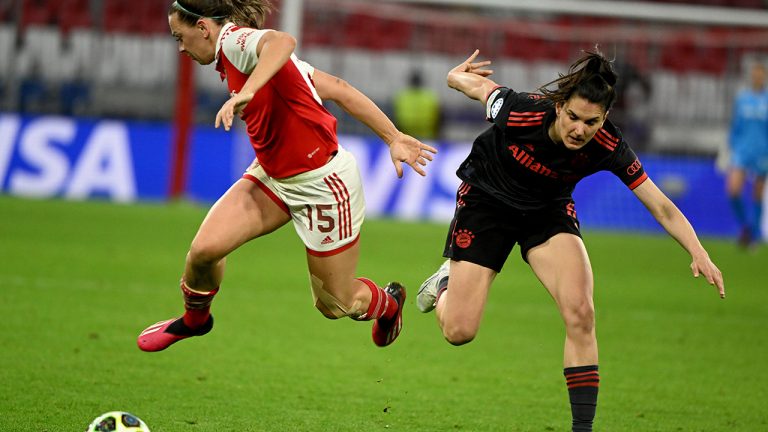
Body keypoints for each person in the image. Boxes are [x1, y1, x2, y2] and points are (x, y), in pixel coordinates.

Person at [416, 50, 725, 432]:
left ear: (605, 118)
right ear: (560, 107)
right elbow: (479, 87)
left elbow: (660, 205)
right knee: (459, 331)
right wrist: (453, 75)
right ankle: (445, 283)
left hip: (547, 210)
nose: (580, 129)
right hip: (487, 201)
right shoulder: (522, 110)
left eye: (591, 122)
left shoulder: (608, 144)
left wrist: (698, 251)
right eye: (574, 117)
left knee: (581, 312)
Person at [137, 0, 437, 352]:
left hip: (322, 185)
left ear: (203, 28)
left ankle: (387, 305)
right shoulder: (255, 62)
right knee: (204, 251)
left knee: (335, 303)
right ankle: (195, 320)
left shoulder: (233, 42)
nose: (180, 48)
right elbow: (338, 87)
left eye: (180, 37)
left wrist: (393, 137)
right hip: (273, 178)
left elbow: (282, 41)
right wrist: (393, 136)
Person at [726, 62, 768, 249]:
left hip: (763, 151)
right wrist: (733, 145)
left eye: (761, 74)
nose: (757, 77)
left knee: (757, 194)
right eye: (755, 74)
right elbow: (736, 125)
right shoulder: (742, 99)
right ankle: (746, 227)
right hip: (742, 151)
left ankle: (754, 235)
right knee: (733, 190)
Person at [393, 69, 441, 140]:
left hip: (406, 136)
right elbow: (438, 117)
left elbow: (396, 118)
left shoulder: (402, 96)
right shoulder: (430, 96)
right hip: (427, 136)